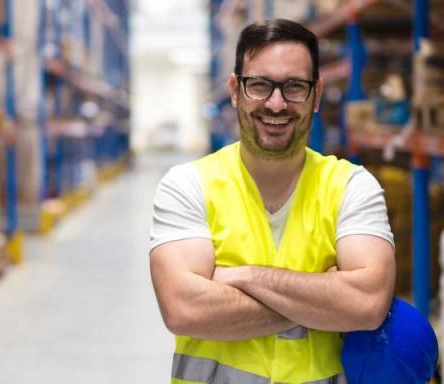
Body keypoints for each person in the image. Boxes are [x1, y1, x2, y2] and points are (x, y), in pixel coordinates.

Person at [149, 19, 396, 383]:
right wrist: (324, 298)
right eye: (260, 85)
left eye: (294, 86)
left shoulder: (352, 187)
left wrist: (240, 277)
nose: (276, 104)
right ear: (235, 90)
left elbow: (367, 304)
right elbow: (184, 309)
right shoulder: (187, 186)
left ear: (316, 95)